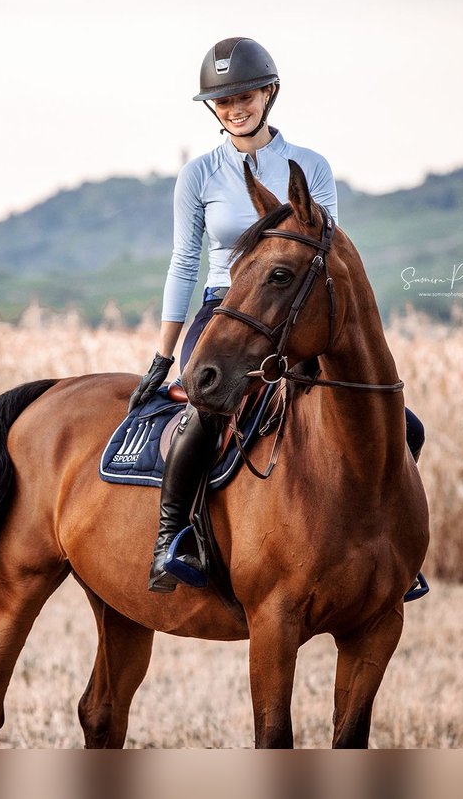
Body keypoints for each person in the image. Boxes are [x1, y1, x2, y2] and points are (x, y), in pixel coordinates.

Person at [130, 37, 424, 593]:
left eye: (244, 95)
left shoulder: (310, 166)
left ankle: (392, 546)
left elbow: (327, 254)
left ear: (269, 93)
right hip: (226, 307)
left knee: (400, 424)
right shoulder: (198, 176)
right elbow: (184, 261)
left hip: (294, 308)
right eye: (222, 101)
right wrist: (163, 353)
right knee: (203, 411)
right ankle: (173, 538)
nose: (235, 108)